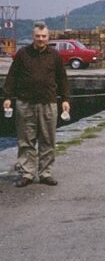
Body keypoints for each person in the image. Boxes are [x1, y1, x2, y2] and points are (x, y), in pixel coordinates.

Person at [3, 22, 70, 187]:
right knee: (26, 140)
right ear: (33, 37)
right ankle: (28, 173)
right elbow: (12, 76)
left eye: (44, 36)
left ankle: (45, 173)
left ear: (48, 37)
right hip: (25, 103)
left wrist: (66, 100)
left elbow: (62, 79)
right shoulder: (22, 54)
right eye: (38, 36)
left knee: (48, 139)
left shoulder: (54, 55)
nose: (41, 39)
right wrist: (7, 97)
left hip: (48, 102)